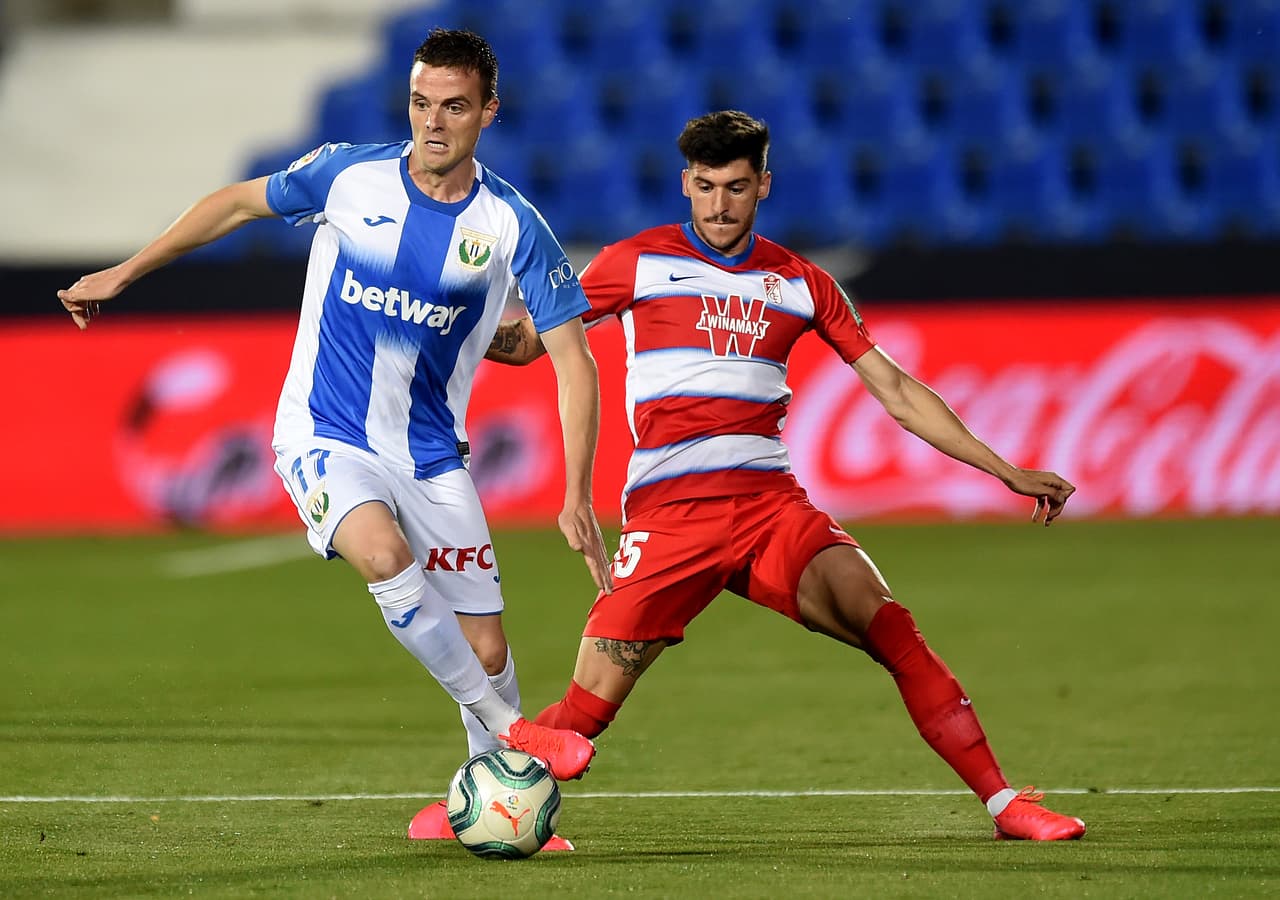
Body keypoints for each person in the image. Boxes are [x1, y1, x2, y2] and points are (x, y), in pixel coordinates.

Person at [57, 28, 613, 849]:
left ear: (488, 112)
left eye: (454, 107)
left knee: (488, 643)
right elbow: (238, 202)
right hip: (324, 432)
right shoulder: (350, 176)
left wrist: (575, 494)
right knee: (384, 558)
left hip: (431, 454)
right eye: (422, 103)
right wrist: (125, 271)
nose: (433, 122)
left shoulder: (509, 225)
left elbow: (574, 361)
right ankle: (514, 732)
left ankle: (485, 803)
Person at [480, 110, 1087, 842]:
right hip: (671, 519)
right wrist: (450, 318)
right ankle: (470, 804)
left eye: (735, 188)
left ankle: (1003, 803)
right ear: (685, 183)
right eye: (703, 187)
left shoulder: (801, 283)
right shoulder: (635, 263)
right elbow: (524, 346)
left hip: (772, 511)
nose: (718, 205)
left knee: (893, 629)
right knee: (583, 717)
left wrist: (1005, 470)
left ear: (762, 185)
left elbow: (894, 390)